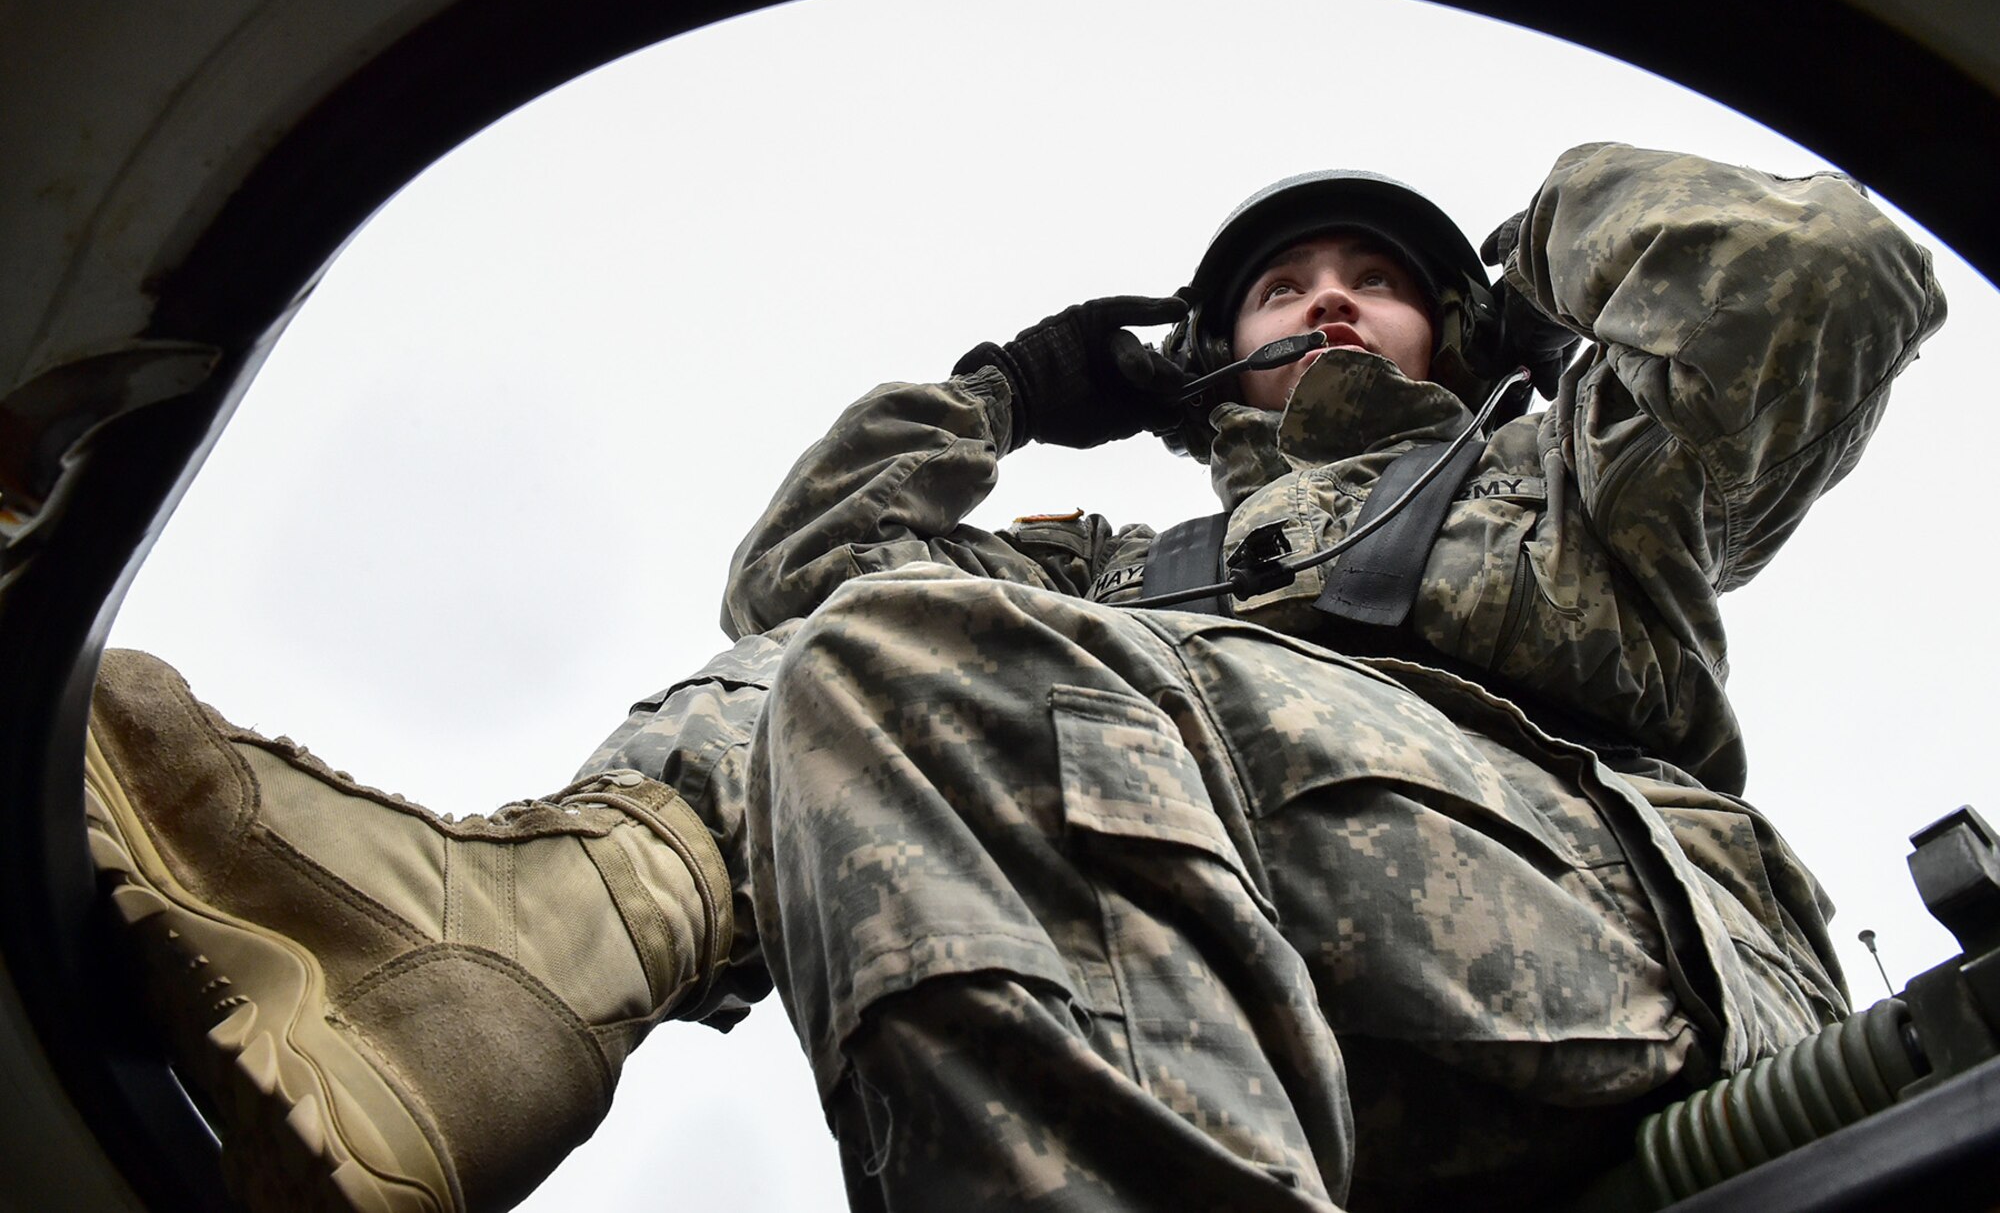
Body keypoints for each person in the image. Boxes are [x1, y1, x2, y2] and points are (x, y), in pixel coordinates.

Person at [81, 142, 1945, 1213]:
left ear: (1449, 325)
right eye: (1276, 288)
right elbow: (799, 596)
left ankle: (482, 972)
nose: (1315, 301)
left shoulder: (1560, 486)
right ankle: (480, 995)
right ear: (1195, 362)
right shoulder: (1106, 581)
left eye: (1368, 281)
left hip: (1588, 971)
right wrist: (992, 396)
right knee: (875, 658)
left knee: (942, 663)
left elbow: (1820, 271)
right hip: (1230, 1010)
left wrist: (1530, 274)